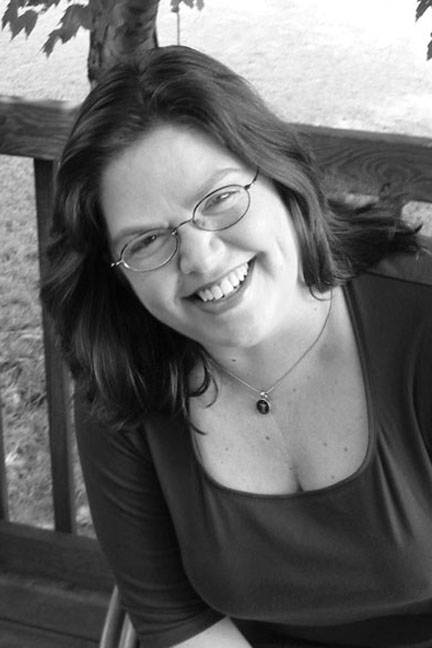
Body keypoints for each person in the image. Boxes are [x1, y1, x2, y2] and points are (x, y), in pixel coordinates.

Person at [41, 45, 432, 648]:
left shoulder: (419, 319)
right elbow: (175, 618)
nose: (200, 257)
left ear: (277, 174)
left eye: (220, 198)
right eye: (146, 241)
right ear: (116, 274)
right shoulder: (123, 377)